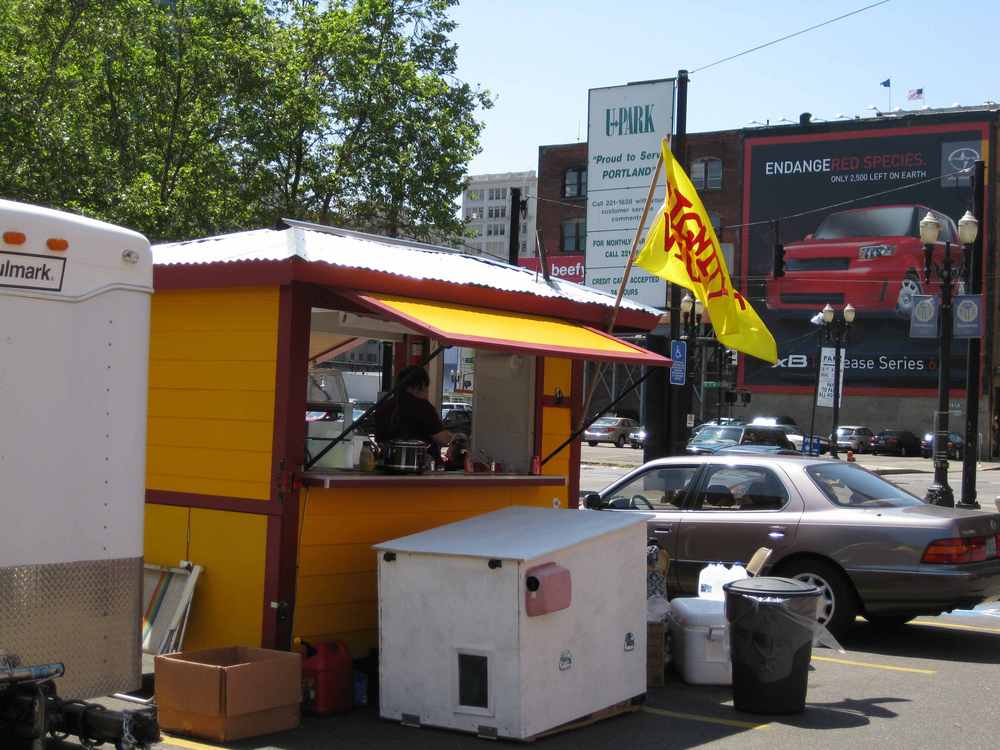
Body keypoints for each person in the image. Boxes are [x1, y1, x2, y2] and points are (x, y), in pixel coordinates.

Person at [374, 365, 452, 460]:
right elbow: (442, 439)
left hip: (387, 464)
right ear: (418, 385)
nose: (426, 392)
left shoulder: (383, 407)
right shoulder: (422, 406)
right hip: (418, 464)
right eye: (425, 387)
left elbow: (379, 441)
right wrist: (452, 436)